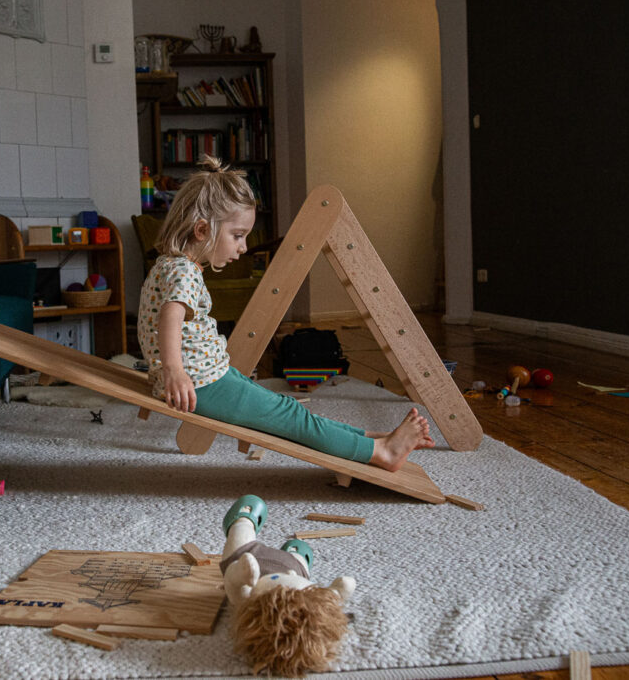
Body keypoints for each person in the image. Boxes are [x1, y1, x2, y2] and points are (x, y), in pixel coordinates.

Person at [136, 155, 434, 471]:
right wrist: (174, 371)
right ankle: (381, 453)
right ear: (201, 230)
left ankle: (367, 440)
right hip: (200, 384)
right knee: (290, 418)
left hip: (206, 377)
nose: (242, 246)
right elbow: (169, 317)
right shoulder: (184, 272)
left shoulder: (169, 265)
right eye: (237, 235)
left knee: (288, 410)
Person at [220, 494, 352, 676]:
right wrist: (337, 591)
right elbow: (333, 597)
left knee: (240, 539)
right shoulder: (315, 606)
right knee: (300, 558)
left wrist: (242, 572)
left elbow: (232, 582)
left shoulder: (248, 600)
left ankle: (242, 522)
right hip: (293, 566)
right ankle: (294, 553)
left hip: (248, 554)